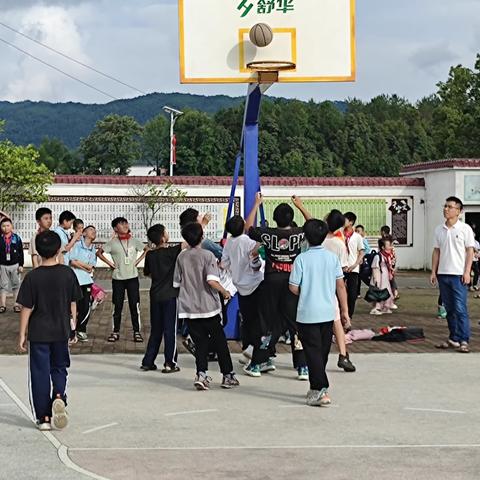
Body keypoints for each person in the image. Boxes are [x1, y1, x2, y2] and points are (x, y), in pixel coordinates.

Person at [17, 231, 82, 430]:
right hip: (61, 329)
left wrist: (22, 334)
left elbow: (26, 308)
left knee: (39, 373)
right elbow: (73, 305)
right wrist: (73, 329)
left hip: (39, 332)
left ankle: (44, 417)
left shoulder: (32, 277)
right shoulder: (67, 273)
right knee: (59, 367)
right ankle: (59, 394)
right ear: (57, 249)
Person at [244, 194, 308, 380]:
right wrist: (300, 205)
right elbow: (314, 225)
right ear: (291, 218)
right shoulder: (298, 233)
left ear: (274, 219)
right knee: (295, 324)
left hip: (271, 282)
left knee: (266, 323)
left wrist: (256, 204)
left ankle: (257, 363)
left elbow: (249, 228)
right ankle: (302, 367)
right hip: (292, 283)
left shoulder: (268, 233)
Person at [289, 219, 349, 407]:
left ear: (305, 236)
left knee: (312, 352)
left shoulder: (301, 259)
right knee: (321, 351)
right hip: (328, 312)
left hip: (307, 312)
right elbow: (340, 285)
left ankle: (320, 388)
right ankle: (317, 387)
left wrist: (307, 290)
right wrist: (345, 310)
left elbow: (293, 287)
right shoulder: (331, 258)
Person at [173, 222, 239, 390]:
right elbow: (211, 280)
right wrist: (224, 291)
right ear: (202, 236)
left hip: (189, 308)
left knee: (200, 343)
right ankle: (228, 375)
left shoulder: (181, 256)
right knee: (219, 342)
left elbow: (176, 282)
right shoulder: (208, 255)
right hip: (209, 307)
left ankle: (201, 374)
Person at [431, 196, 475, 353]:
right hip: (443, 274)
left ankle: (464, 339)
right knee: (449, 309)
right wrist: (433, 271)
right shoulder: (439, 229)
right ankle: (454, 338)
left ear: (459, 211)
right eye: (445, 206)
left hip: (458, 275)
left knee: (460, 308)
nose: (446, 209)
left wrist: (467, 271)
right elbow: (436, 251)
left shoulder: (465, 229)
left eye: (450, 207)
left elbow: (470, 250)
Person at [221, 215, 264, 367]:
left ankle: (247, 348)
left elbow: (224, 263)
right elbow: (255, 264)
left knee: (246, 320)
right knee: (257, 321)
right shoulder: (248, 241)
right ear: (243, 226)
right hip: (255, 284)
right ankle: (255, 352)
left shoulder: (229, 243)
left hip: (240, 285)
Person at [97, 217, 148, 343]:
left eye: (126, 223)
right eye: (121, 224)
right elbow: (99, 253)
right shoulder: (112, 243)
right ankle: (115, 331)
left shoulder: (134, 241)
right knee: (117, 305)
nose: (125, 225)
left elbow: (146, 249)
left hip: (133, 278)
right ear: (115, 228)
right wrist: (110, 264)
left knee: (134, 305)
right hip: (118, 278)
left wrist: (137, 261)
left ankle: (137, 331)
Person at [141, 224, 183, 373]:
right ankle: (170, 363)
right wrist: (202, 223)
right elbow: (189, 240)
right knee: (170, 330)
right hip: (170, 295)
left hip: (155, 295)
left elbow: (147, 273)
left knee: (156, 329)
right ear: (163, 237)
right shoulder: (171, 252)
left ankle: (148, 361)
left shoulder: (150, 255)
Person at [323, 210, 356, 372]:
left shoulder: (315, 239)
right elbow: (340, 279)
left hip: (311, 288)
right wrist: (346, 309)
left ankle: (305, 359)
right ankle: (343, 355)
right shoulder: (339, 244)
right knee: (336, 321)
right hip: (330, 288)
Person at [69, 226, 97, 342]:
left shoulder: (93, 248)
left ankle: (81, 330)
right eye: (91, 230)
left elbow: (92, 265)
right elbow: (72, 261)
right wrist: (85, 267)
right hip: (75, 279)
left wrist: (85, 267)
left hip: (86, 281)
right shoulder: (77, 245)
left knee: (86, 306)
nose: (93, 232)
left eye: (95, 231)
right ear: (84, 233)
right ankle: (71, 329)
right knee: (72, 306)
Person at [343, 212, 365, 322]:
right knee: (339, 294)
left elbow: (362, 252)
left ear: (351, 222)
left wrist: (355, 264)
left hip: (353, 269)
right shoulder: (339, 234)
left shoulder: (357, 237)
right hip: (341, 268)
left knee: (352, 295)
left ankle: (349, 316)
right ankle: (341, 314)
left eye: (345, 220)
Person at [0, 217, 24, 313]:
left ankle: (16, 305)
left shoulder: (17, 238)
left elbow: (21, 252)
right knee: (3, 286)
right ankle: (2, 305)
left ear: (12, 226)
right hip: (3, 265)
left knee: (16, 285)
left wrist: (21, 265)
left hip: (15, 265)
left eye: (8, 225)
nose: (6, 228)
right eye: (3, 226)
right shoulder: (0, 239)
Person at [369, 236, 396, 315]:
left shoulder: (388, 256)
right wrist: (376, 279)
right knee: (380, 292)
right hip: (379, 277)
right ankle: (376, 308)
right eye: (389, 246)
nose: (391, 247)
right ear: (383, 247)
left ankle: (385, 307)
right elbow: (375, 267)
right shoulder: (378, 256)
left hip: (385, 277)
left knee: (387, 291)